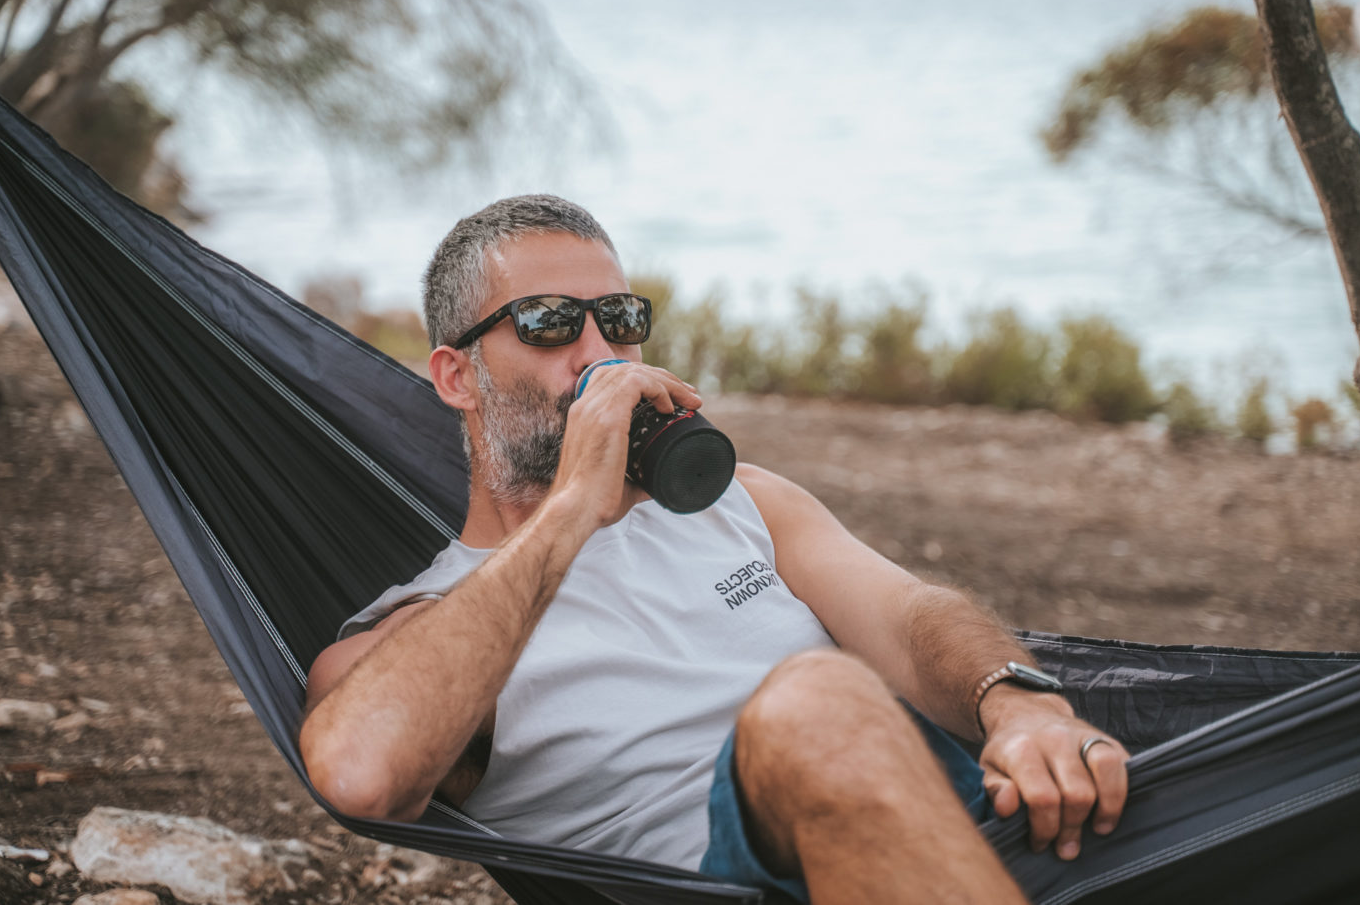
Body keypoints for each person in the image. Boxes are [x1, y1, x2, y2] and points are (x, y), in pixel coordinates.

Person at [299, 194, 1129, 904]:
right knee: (813, 698)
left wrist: (1020, 707)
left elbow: (909, 616)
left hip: (953, 825)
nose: (599, 354)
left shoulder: (742, 503)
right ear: (455, 377)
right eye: (548, 324)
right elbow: (364, 773)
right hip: (734, 878)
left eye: (620, 321)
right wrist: (573, 509)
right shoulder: (422, 625)